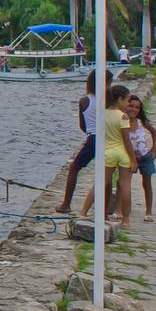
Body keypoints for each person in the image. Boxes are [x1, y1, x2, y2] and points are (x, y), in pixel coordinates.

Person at [79, 83, 136, 225]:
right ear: (119, 100)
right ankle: (126, 220)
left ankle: (83, 212)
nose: (128, 104)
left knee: (100, 183)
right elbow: (126, 140)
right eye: (127, 101)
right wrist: (133, 159)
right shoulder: (123, 116)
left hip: (107, 151)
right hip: (122, 151)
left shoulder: (101, 114)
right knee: (125, 186)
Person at [55, 70, 107, 213]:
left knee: (74, 168)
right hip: (110, 138)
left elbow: (83, 126)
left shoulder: (85, 100)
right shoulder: (108, 100)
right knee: (107, 172)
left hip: (94, 138)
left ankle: (66, 204)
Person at [126, 94, 156, 222]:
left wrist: (154, 149)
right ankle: (120, 209)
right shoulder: (122, 121)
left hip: (145, 156)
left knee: (147, 183)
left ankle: (148, 210)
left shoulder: (142, 122)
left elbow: (154, 132)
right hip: (128, 157)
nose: (133, 109)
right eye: (131, 106)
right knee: (124, 183)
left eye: (137, 107)